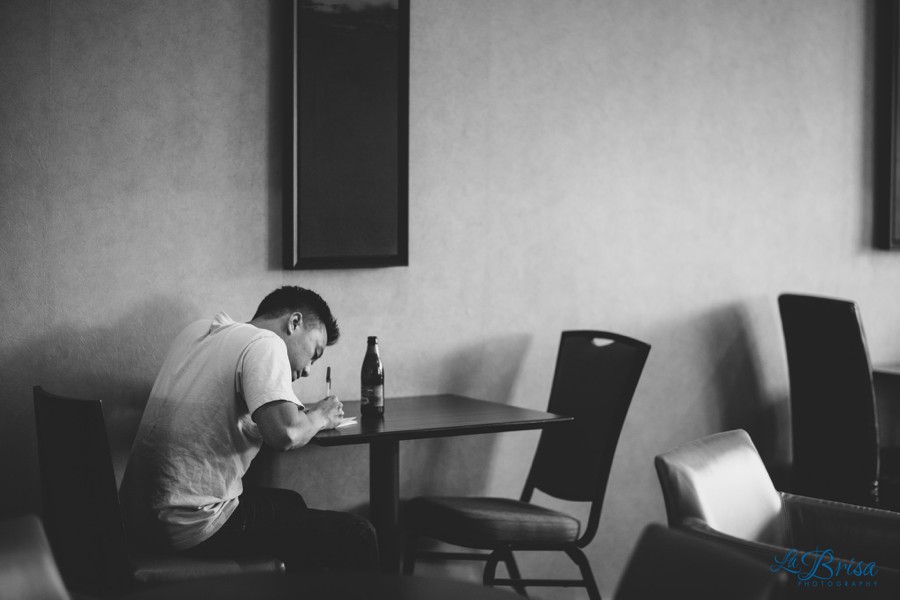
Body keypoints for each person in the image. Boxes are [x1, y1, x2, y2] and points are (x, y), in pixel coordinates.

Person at [119, 286, 379, 572]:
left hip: (138, 518)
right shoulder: (266, 343)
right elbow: (285, 434)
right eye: (314, 354)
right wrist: (321, 416)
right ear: (294, 322)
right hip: (189, 523)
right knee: (359, 535)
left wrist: (301, 417)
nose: (308, 370)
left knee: (291, 502)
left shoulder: (200, 331)